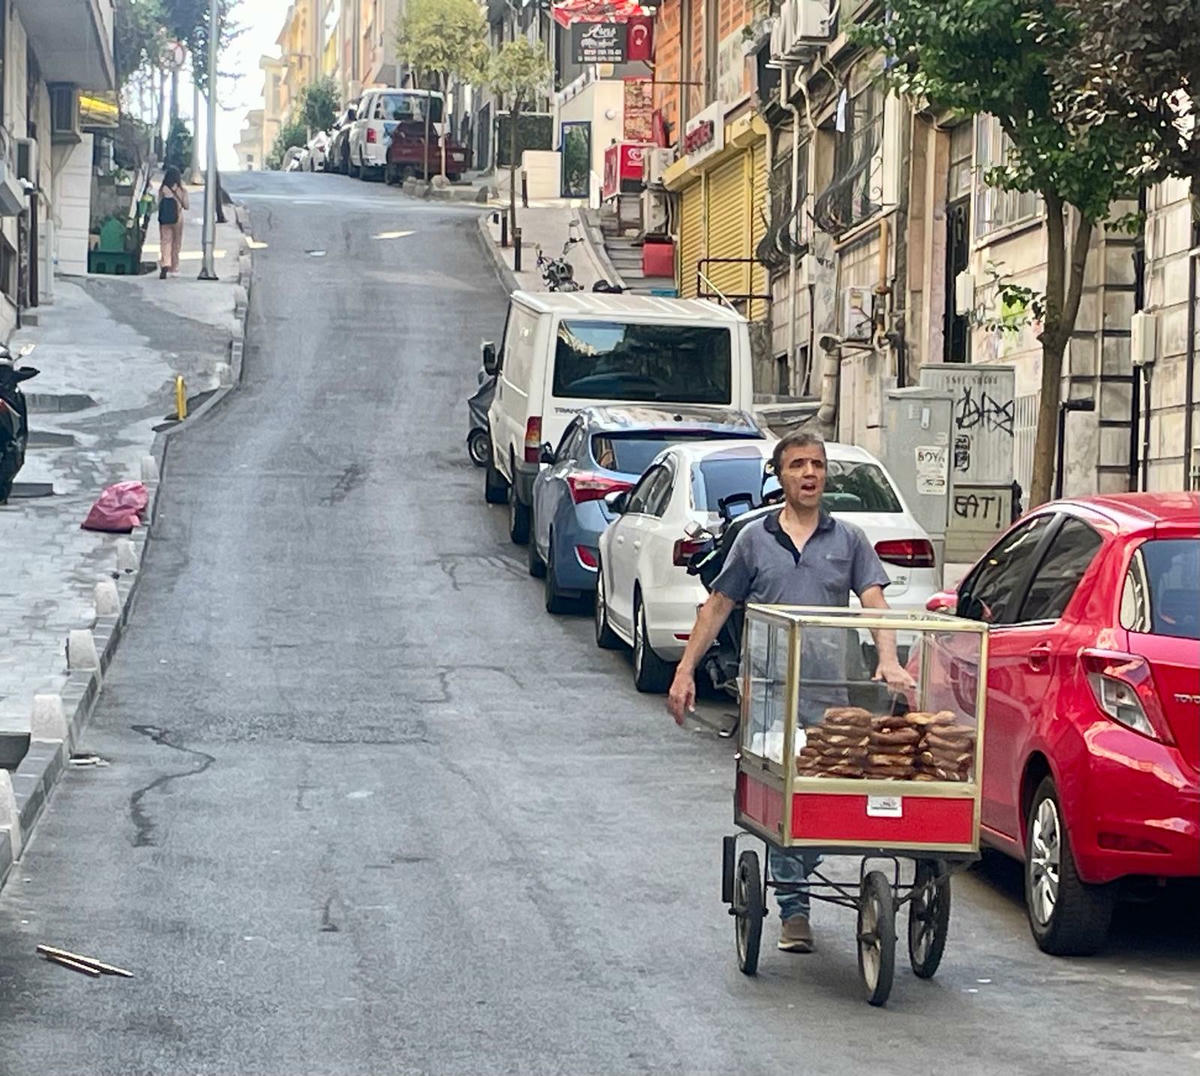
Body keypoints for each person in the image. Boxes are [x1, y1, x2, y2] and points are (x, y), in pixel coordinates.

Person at [666, 429, 914, 954]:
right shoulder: (754, 539)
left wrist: (889, 660)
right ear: (780, 477)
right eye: (798, 464)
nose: (809, 473)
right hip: (769, 696)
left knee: (825, 799)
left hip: (830, 695)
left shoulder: (848, 540)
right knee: (785, 801)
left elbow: (875, 603)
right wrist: (685, 670)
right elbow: (717, 606)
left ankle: (798, 878)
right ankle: (794, 910)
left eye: (818, 465)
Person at [157, 167, 189, 279]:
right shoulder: (182, 190)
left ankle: (165, 263)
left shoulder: (162, 189)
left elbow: (159, 204)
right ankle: (174, 267)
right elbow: (186, 206)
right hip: (178, 218)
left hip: (165, 219)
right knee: (176, 243)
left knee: (165, 241)